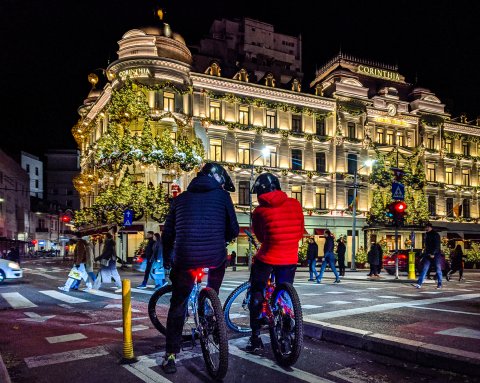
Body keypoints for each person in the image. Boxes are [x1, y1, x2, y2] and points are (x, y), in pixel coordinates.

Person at [161, 162, 239, 374]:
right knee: (215, 277)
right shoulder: (223, 197)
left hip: (185, 258)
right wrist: (223, 237)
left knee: (178, 303)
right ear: (218, 181)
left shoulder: (180, 199)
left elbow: (167, 234)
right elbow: (234, 229)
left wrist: (167, 259)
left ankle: (170, 355)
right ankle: (210, 306)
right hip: (214, 257)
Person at [246, 173, 304, 353]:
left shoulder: (259, 211)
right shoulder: (295, 204)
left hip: (269, 256)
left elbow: (261, 236)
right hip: (290, 257)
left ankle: (255, 337)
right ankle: (286, 321)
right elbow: (300, 232)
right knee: (284, 290)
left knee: (257, 290)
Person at [413, 223, 442, 289]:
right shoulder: (426, 235)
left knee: (438, 269)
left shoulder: (435, 234)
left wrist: (433, 253)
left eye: (426, 227)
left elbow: (437, 245)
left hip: (435, 254)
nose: (425, 229)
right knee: (424, 269)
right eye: (425, 228)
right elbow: (426, 246)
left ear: (430, 227)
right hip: (428, 254)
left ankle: (439, 284)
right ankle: (419, 284)